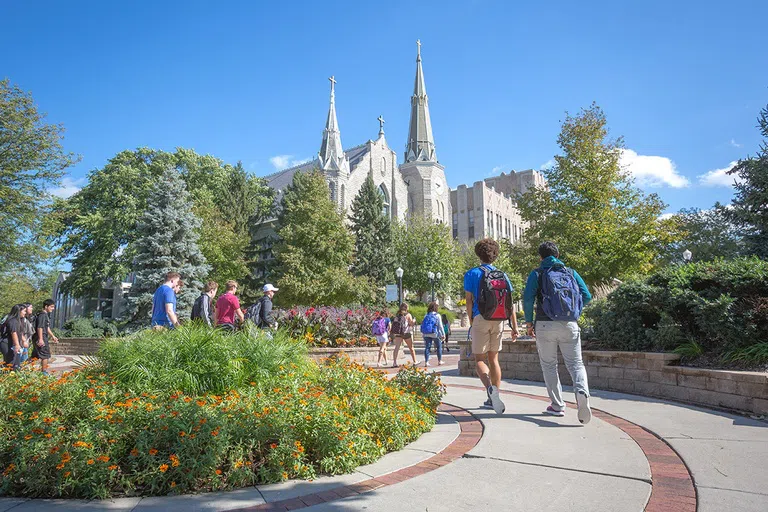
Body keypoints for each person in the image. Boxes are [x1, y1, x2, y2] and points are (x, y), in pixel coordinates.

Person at [523, 241, 593, 424]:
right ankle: (582, 392)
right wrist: (574, 312)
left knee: (549, 365)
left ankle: (557, 405)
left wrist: (529, 323)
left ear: (540, 257)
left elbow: (528, 299)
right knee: (576, 364)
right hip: (570, 324)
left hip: (545, 324)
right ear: (558, 255)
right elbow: (587, 296)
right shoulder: (571, 272)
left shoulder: (537, 273)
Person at [464, 238, 518, 415]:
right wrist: (515, 327)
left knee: (479, 359)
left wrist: (472, 322)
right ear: (495, 255)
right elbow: (510, 303)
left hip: (481, 318)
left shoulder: (472, 274)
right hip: (499, 320)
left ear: (478, 254)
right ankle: (494, 395)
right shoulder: (502, 274)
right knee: (494, 359)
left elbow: (469, 301)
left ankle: (490, 390)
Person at [32, 299, 59, 375]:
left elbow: (46, 327)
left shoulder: (44, 315)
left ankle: (21, 367)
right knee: (45, 355)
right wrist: (41, 339)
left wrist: (52, 336)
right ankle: (44, 373)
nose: (53, 309)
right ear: (46, 306)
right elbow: (40, 327)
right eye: (51, 307)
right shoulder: (42, 315)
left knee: (35, 356)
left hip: (40, 337)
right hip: (41, 337)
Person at [1, 304, 27, 370]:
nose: (25, 313)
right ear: (19, 311)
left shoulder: (18, 320)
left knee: (16, 364)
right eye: (24, 311)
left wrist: (24, 340)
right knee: (11, 363)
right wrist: (17, 345)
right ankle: (8, 378)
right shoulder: (13, 320)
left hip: (12, 344)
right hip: (7, 343)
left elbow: (19, 333)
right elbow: (14, 332)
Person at [391, 303, 418, 367]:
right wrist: (414, 320)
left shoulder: (397, 315)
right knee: (411, 348)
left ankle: (394, 362)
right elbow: (411, 324)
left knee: (396, 348)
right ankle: (415, 361)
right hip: (406, 333)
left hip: (398, 333)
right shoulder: (408, 315)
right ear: (406, 308)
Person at [421, 302, 445, 367]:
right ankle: (439, 361)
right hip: (435, 333)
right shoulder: (437, 315)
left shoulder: (426, 315)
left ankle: (426, 362)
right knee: (439, 346)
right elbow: (440, 326)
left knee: (427, 348)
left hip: (426, 333)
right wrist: (443, 334)